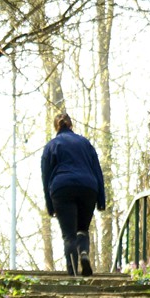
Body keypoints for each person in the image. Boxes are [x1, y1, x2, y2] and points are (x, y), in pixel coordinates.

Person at [39, 114, 106, 276]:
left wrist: (50, 204)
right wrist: (101, 199)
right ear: (71, 125)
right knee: (82, 229)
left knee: (69, 235)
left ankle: (73, 274)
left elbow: (46, 176)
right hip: (88, 187)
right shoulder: (85, 143)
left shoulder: (51, 146)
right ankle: (83, 253)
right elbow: (97, 171)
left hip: (62, 188)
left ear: (56, 127)